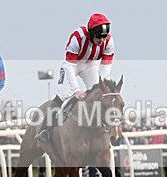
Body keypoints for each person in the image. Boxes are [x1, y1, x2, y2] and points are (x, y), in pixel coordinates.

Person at [36, 13, 116, 142]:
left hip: (90, 65)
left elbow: (105, 68)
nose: (101, 40)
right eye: (98, 36)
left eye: (104, 36)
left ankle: (102, 128)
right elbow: (69, 67)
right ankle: (44, 129)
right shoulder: (78, 38)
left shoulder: (109, 42)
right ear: (91, 33)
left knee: (99, 93)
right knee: (63, 95)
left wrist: (103, 86)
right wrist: (76, 90)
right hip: (72, 65)